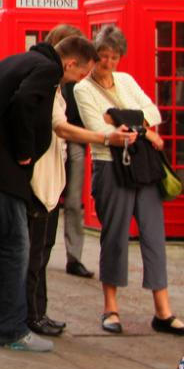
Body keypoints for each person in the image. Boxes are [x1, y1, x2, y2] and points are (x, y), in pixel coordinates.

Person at [0, 34, 99, 352]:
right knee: (15, 245)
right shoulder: (48, 70)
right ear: (70, 63)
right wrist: (22, 150)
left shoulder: (15, 60)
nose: (80, 80)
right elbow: (25, 102)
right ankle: (10, 329)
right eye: (82, 73)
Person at [24, 25, 136, 337]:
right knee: (35, 247)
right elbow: (59, 126)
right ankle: (30, 314)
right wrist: (105, 136)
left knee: (46, 240)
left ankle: (37, 309)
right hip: (44, 168)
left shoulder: (58, 83)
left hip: (59, 161)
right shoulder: (48, 81)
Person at [73, 24, 184, 336]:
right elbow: (101, 130)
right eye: (103, 57)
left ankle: (163, 310)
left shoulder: (126, 80)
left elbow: (153, 112)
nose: (108, 63)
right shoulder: (83, 89)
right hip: (111, 167)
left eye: (114, 57)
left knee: (153, 236)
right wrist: (139, 128)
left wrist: (123, 119)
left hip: (143, 167)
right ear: (94, 56)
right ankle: (111, 307)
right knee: (116, 238)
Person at [61, 76, 93, 278]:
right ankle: (36, 251)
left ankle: (74, 258)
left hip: (77, 141)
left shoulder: (86, 82)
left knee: (73, 201)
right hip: (52, 139)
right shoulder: (53, 77)